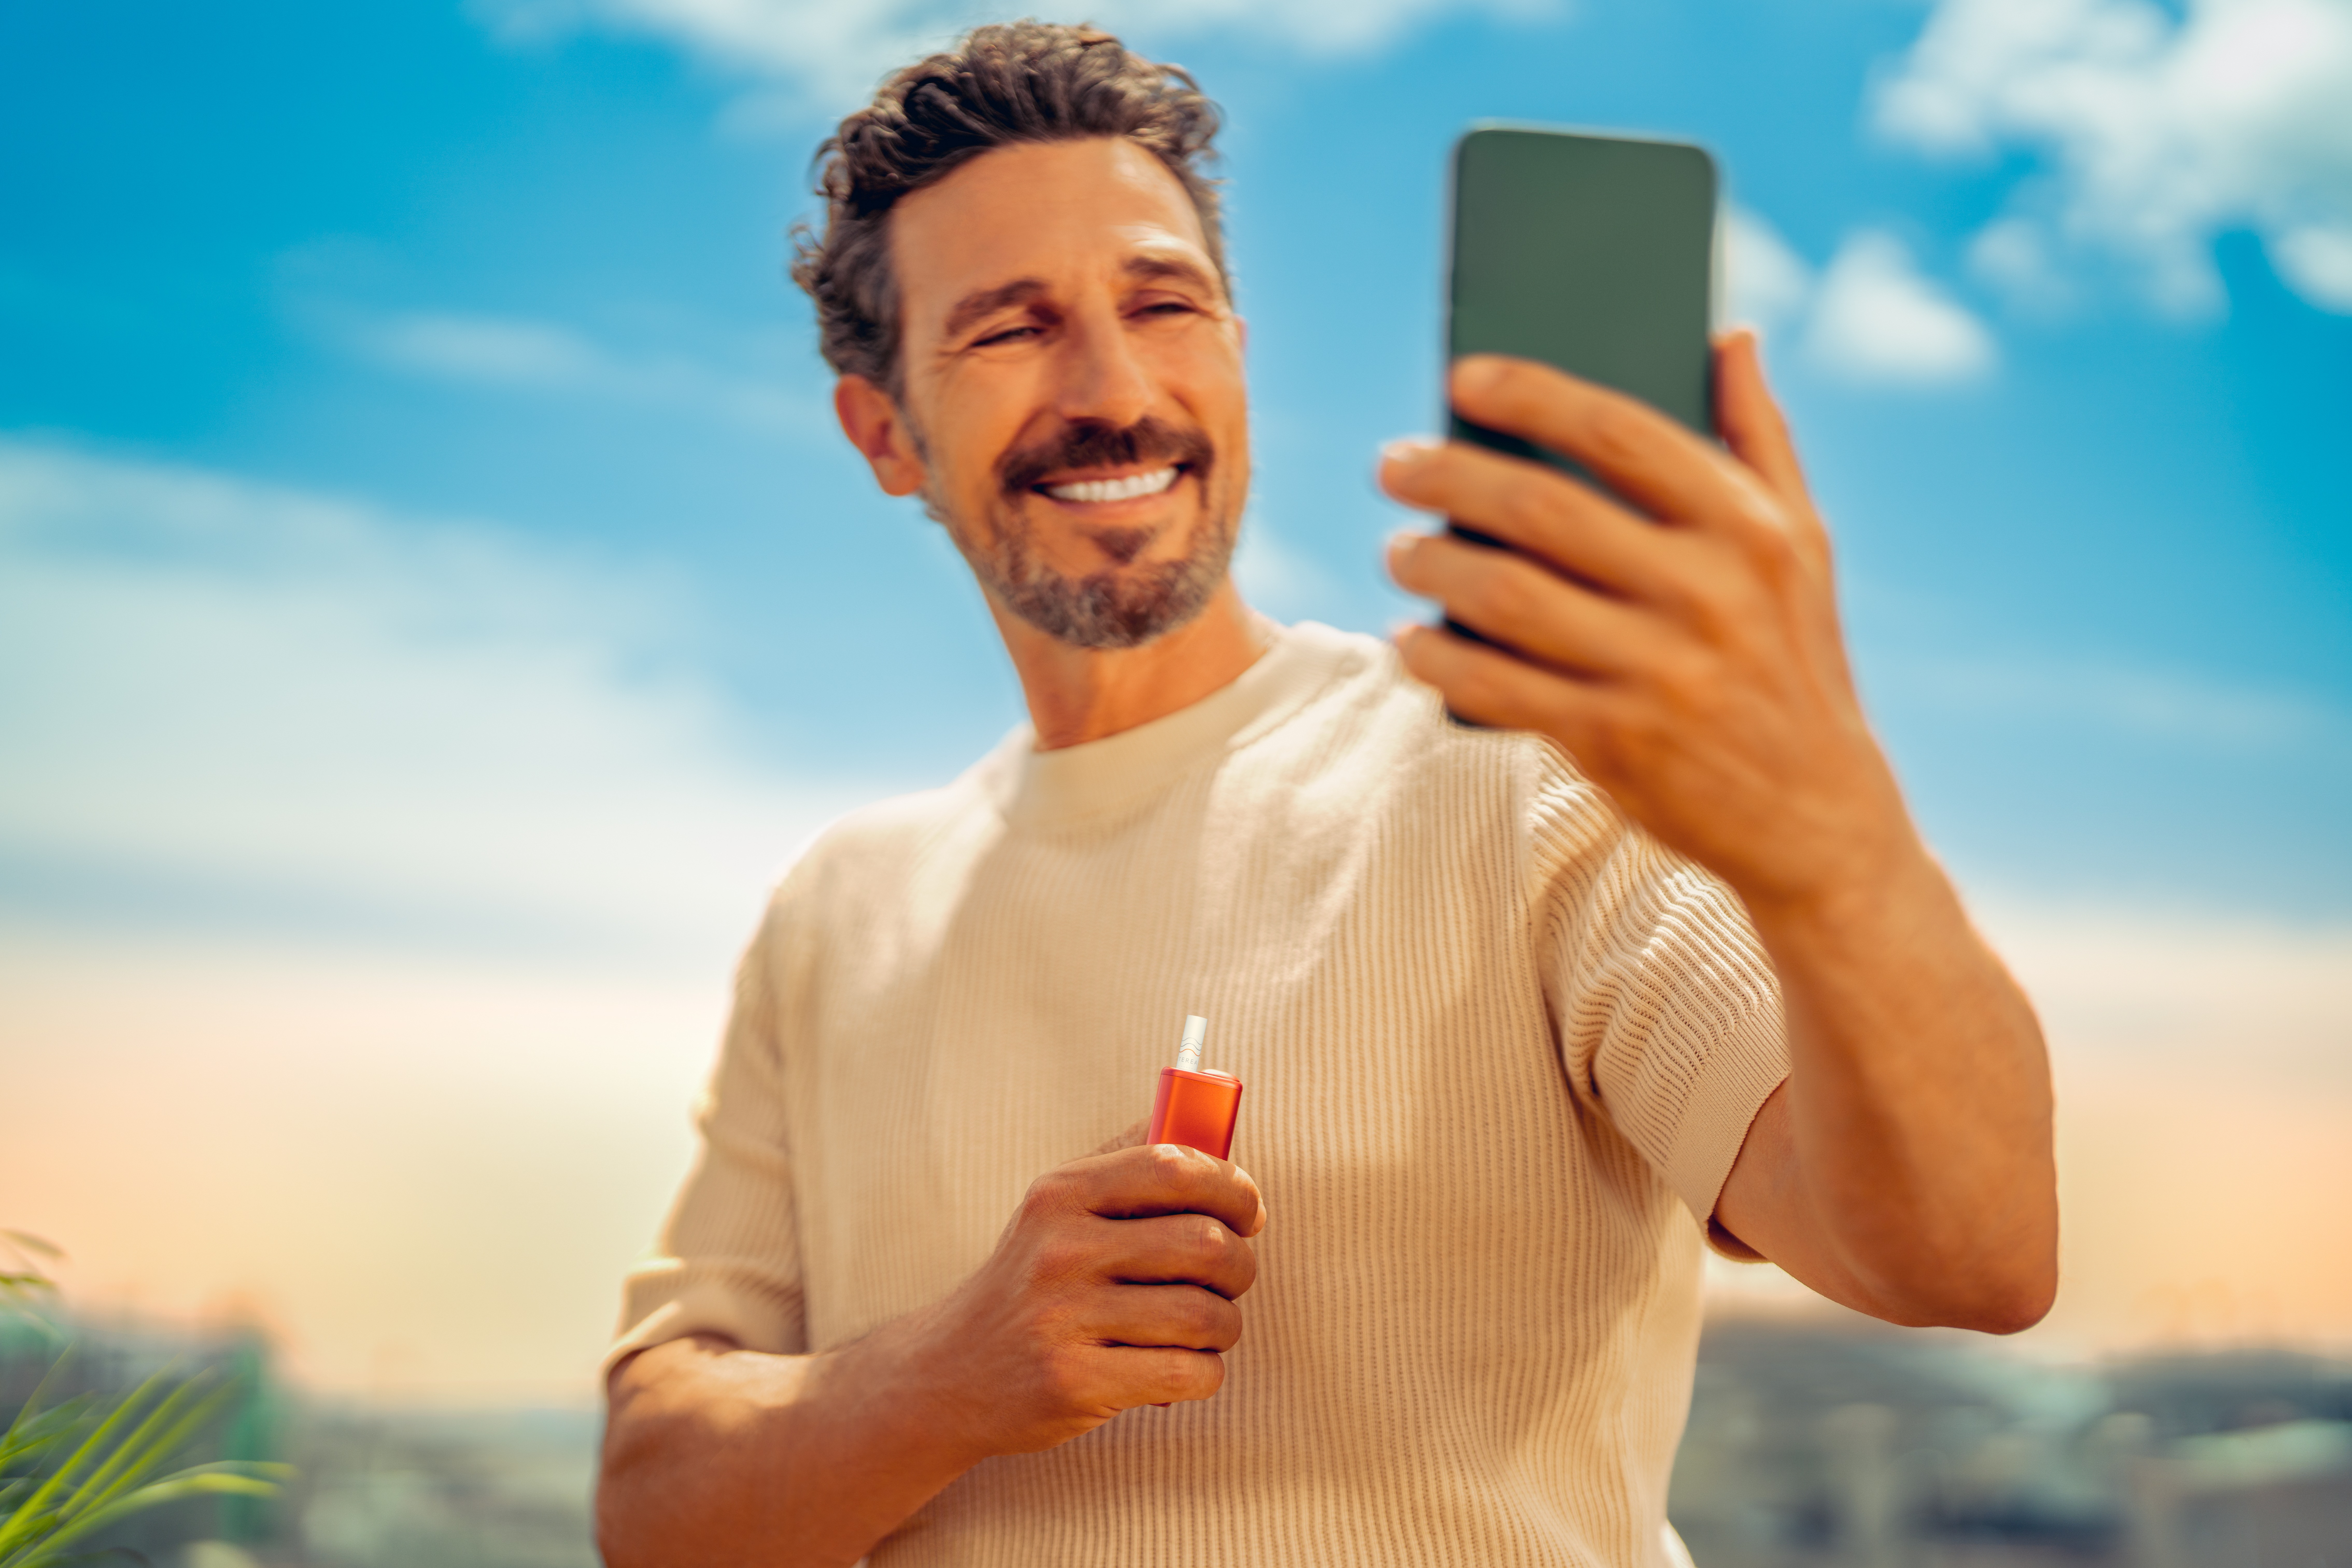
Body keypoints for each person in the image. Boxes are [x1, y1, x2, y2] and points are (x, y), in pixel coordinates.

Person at [594, 21, 2058, 1568]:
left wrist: (1830, 831)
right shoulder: (840, 904)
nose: (1113, 388)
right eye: (1010, 328)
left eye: (1162, 303)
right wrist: (951, 1372)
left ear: (1234, 345)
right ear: (884, 429)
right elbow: (653, 1506)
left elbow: (1969, 1251)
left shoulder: (1517, 764)